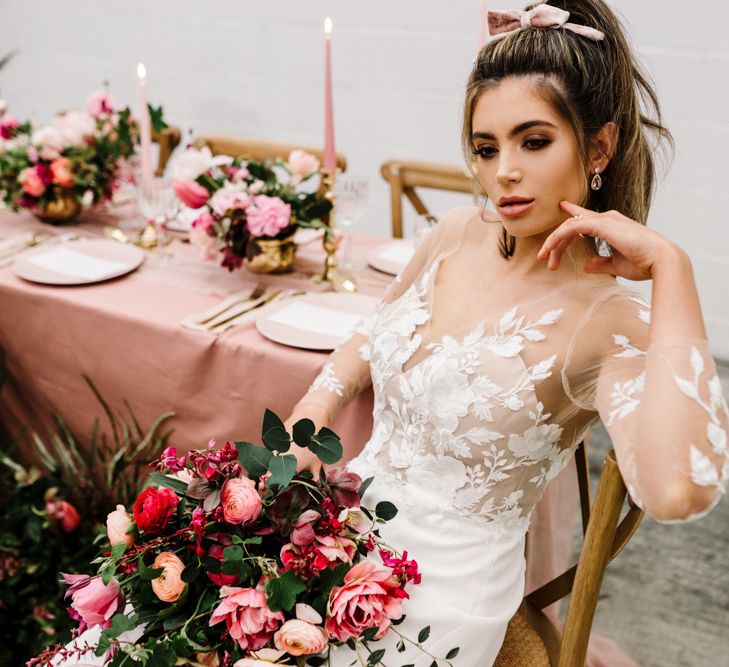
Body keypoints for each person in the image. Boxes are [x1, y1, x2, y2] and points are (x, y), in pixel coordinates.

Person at [286, 1, 729, 664]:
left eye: (533, 141)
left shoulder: (609, 323)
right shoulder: (453, 233)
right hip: (334, 532)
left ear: (598, 146)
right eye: (486, 149)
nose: (503, 174)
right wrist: (312, 412)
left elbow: (676, 490)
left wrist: (672, 268)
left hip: (437, 599)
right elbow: (374, 332)